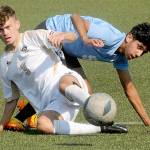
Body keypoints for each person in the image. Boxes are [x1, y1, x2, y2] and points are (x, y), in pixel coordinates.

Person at [8, 13, 150, 129]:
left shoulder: (120, 58)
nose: (138, 54)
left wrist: (147, 121)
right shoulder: (110, 36)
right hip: (52, 35)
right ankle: (21, 118)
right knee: (60, 86)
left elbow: (129, 89)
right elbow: (75, 17)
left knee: (85, 93)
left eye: (143, 52)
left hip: (67, 50)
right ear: (130, 37)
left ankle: (31, 113)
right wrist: (85, 38)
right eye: (139, 47)